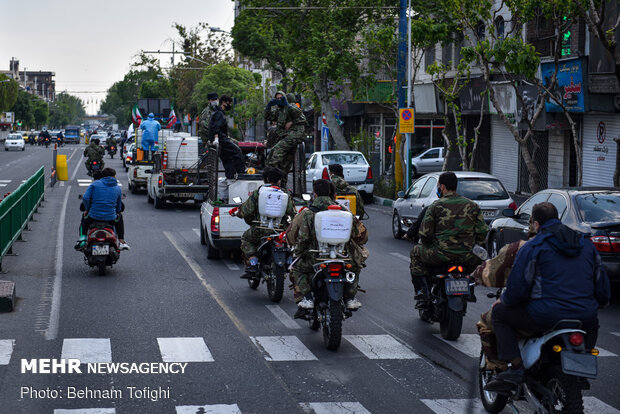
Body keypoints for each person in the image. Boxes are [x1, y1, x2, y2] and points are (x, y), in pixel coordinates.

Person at [484, 202, 610, 391]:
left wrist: (505, 300)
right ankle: (580, 369)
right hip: (584, 317)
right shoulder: (586, 244)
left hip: (544, 316)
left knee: (500, 314)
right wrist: (598, 303)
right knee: (592, 323)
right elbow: (601, 286)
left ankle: (516, 369)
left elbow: (518, 288)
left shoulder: (533, 246)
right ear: (557, 219)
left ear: (535, 223)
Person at [289, 179, 367, 317]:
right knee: (355, 268)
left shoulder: (308, 213)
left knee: (297, 269)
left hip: (315, 259)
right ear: (331, 193)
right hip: (343, 257)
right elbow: (362, 236)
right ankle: (350, 298)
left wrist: (297, 253)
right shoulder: (345, 212)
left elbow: (303, 238)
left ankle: (307, 298)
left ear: (315, 194)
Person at [409, 171, 488, 306]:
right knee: (481, 254)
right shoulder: (472, 205)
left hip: (440, 256)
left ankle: (422, 291)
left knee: (415, 252)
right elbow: (482, 232)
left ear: (443, 187)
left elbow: (425, 234)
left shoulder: (435, 206)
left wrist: (428, 243)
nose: (438, 188)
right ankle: (471, 288)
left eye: (439, 186)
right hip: (468, 256)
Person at [231, 166, 297, 279]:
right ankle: (289, 260)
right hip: (280, 231)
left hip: (259, 230)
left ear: (265, 179)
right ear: (279, 180)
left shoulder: (258, 192)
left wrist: (238, 213)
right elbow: (292, 212)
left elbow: (246, 211)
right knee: (291, 244)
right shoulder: (285, 193)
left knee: (246, 239)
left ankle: (253, 262)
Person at [75, 168, 130, 251]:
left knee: (84, 218)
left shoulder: (95, 184)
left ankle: (82, 240)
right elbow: (119, 206)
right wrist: (117, 212)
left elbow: (86, 198)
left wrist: (87, 209)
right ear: (114, 176)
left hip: (94, 216)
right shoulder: (117, 188)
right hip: (111, 218)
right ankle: (122, 241)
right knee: (119, 217)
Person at [265, 92, 307, 188]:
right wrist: (268, 107)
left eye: (281, 98)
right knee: (284, 165)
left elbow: (301, 118)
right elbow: (269, 117)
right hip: (285, 136)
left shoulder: (291, 107)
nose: (279, 100)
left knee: (275, 153)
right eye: (277, 99)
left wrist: (291, 122)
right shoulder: (279, 111)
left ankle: (271, 176)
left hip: (293, 135)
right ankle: (281, 185)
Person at [208, 95, 246, 180]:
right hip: (222, 140)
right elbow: (217, 127)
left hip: (221, 139)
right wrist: (216, 138)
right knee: (237, 151)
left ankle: (230, 178)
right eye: (229, 103)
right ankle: (242, 173)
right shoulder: (219, 113)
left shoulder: (217, 112)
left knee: (227, 159)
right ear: (224, 103)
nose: (230, 105)